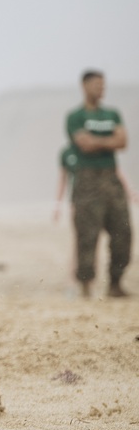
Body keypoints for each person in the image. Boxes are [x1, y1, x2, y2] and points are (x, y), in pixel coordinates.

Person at [65, 69, 131, 298]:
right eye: (96, 84)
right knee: (87, 235)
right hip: (87, 181)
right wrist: (109, 141)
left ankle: (115, 283)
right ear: (84, 86)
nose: (101, 89)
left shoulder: (112, 114)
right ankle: (85, 286)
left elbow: (123, 141)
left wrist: (98, 141)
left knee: (123, 232)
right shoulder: (76, 117)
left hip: (111, 180)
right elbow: (85, 145)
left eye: (103, 85)